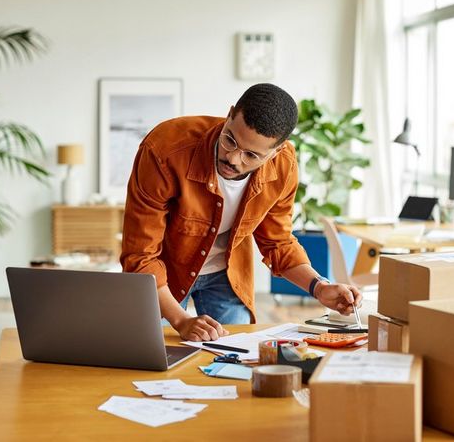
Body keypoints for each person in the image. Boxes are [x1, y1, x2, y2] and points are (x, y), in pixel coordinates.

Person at [121, 83, 363, 341]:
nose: (233, 158)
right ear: (229, 115)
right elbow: (140, 255)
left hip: (228, 274)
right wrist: (181, 320)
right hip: (163, 275)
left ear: (276, 151)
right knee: (153, 353)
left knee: (233, 353)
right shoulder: (164, 149)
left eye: (251, 155)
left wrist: (320, 287)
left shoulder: (283, 165)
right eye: (230, 140)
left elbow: (278, 242)